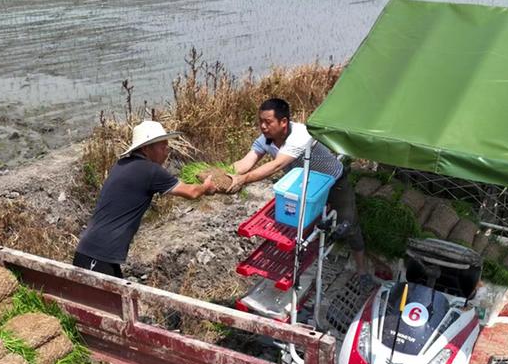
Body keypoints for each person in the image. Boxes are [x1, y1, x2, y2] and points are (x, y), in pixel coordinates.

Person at [226, 97, 368, 274]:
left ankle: (362, 269)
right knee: (302, 227)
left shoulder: (300, 135)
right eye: (260, 121)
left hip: (333, 183)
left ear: (283, 122)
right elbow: (247, 162)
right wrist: (223, 175)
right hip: (304, 189)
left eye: (268, 122)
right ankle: (302, 265)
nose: (262, 127)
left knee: (348, 224)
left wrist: (244, 179)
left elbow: (276, 165)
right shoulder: (267, 138)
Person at [73, 120, 216, 278]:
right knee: (104, 302)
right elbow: (192, 192)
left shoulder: (123, 164)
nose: (166, 150)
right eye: (162, 146)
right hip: (98, 255)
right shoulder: (150, 170)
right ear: (147, 148)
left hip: (93, 251)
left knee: (117, 302)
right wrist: (206, 186)